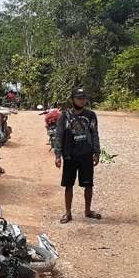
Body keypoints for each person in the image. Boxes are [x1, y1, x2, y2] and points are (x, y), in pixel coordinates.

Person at [54, 88, 101, 223]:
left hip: (86, 153)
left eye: (83, 98)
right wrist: (58, 155)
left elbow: (95, 134)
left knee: (88, 184)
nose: (81, 101)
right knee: (68, 185)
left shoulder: (91, 115)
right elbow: (59, 136)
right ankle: (68, 212)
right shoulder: (65, 116)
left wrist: (96, 152)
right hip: (70, 155)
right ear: (72, 99)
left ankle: (87, 210)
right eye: (78, 98)